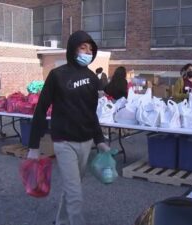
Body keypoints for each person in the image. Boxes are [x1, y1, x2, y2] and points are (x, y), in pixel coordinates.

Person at [26, 30, 111, 225]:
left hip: (86, 142)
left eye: (90, 49)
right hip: (64, 143)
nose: (87, 52)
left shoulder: (92, 78)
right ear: (73, 49)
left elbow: (91, 114)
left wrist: (100, 141)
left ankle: (61, 222)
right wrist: (33, 147)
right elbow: (40, 110)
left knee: (72, 189)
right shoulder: (57, 75)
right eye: (83, 48)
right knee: (75, 194)